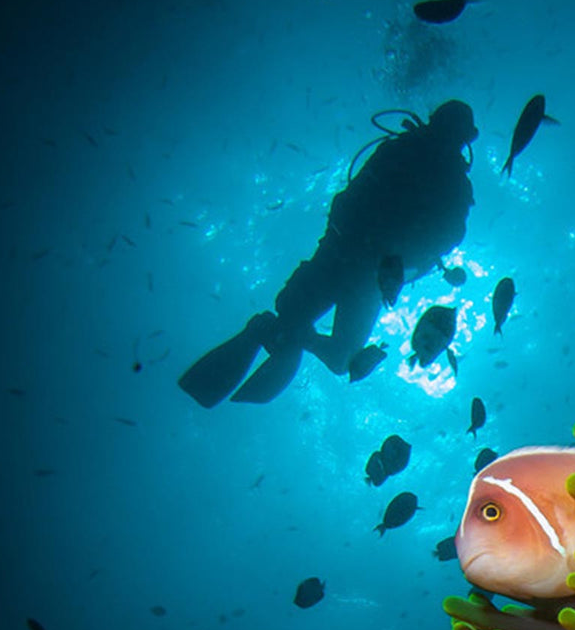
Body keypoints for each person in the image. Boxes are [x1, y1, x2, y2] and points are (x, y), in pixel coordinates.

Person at [179, 100, 478, 406]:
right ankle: (286, 334)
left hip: (349, 258)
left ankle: (278, 332)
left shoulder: (402, 151)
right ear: (467, 138)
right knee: (338, 354)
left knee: (329, 348)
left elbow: (352, 197)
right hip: (365, 269)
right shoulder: (447, 178)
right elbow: (448, 236)